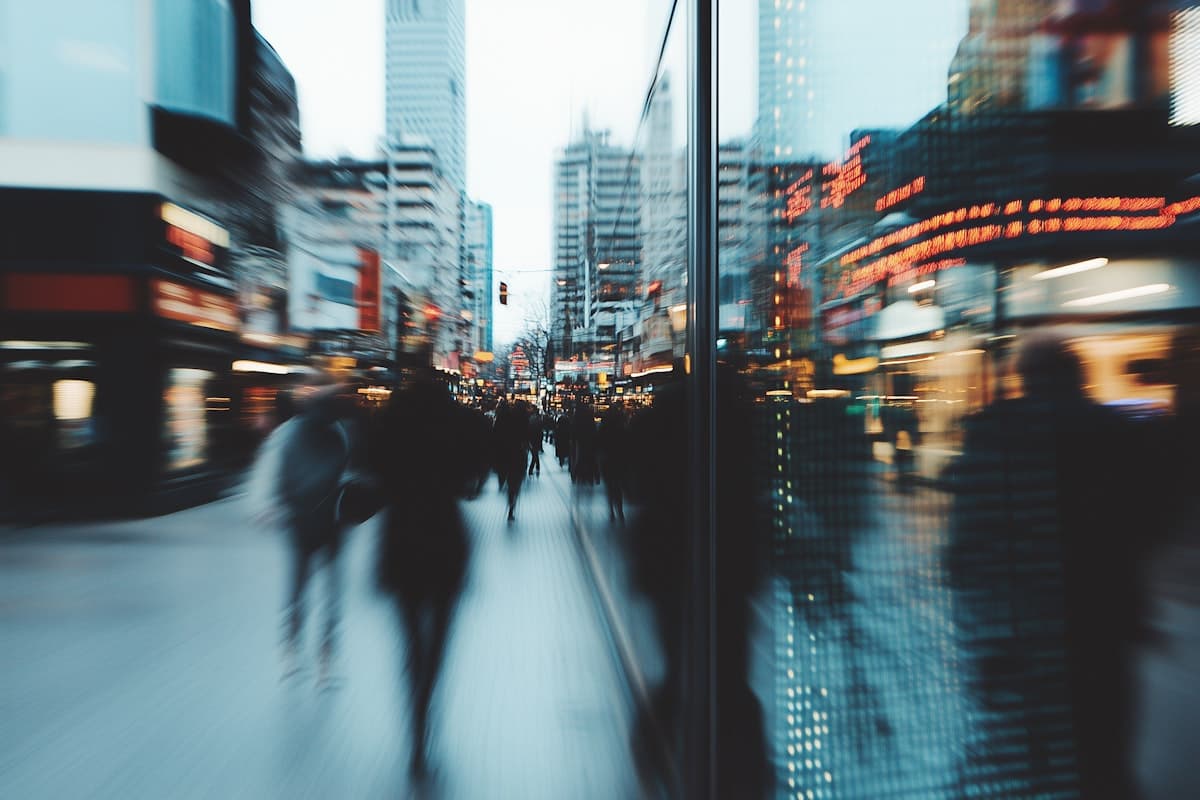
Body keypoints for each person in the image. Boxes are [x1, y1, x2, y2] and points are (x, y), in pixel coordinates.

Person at [948, 332, 1150, 798]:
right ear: (1078, 373)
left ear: (1025, 377)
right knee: (1101, 740)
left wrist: (968, 596)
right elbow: (1144, 519)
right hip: (1101, 612)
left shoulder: (994, 428)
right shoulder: (1117, 430)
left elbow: (970, 528)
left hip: (1019, 615)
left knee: (1026, 740)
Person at [369, 369, 478, 778]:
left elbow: (374, 470)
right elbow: (470, 484)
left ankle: (415, 721)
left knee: (410, 637)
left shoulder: (390, 420)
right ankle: (428, 702)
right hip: (445, 538)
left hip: (401, 539)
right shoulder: (455, 423)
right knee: (439, 638)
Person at [248, 374, 355, 684]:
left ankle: (294, 651)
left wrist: (265, 505)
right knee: (329, 592)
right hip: (329, 522)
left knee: (299, 588)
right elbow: (348, 473)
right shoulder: (338, 432)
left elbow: (268, 470)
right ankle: (324, 656)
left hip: (302, 520)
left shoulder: (289, 432)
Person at [492, 400, 529, 521]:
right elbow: (525, 438)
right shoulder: (523, 419)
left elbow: (495, 435)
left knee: (509, 478)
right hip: (518, 455)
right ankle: (512, 505)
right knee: (515, 482)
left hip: (505, 454)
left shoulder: (503, 417)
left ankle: (508, 493)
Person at [597, 400, 630, 522]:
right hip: (619, 458)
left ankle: (611, 510)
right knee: (618, 485)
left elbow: (599, 442)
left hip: (607, 458)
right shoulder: (622, 428)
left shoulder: (603, 427)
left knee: (610, 485)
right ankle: (619, 509)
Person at [527, 406, 544, 477]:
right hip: (537, 438)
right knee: (535, 453)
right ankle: (537, 466)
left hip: (532, 438)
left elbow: (529, 428)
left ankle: (532, 468)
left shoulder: (531, 419)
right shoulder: (539, 419)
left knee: (534, 453)